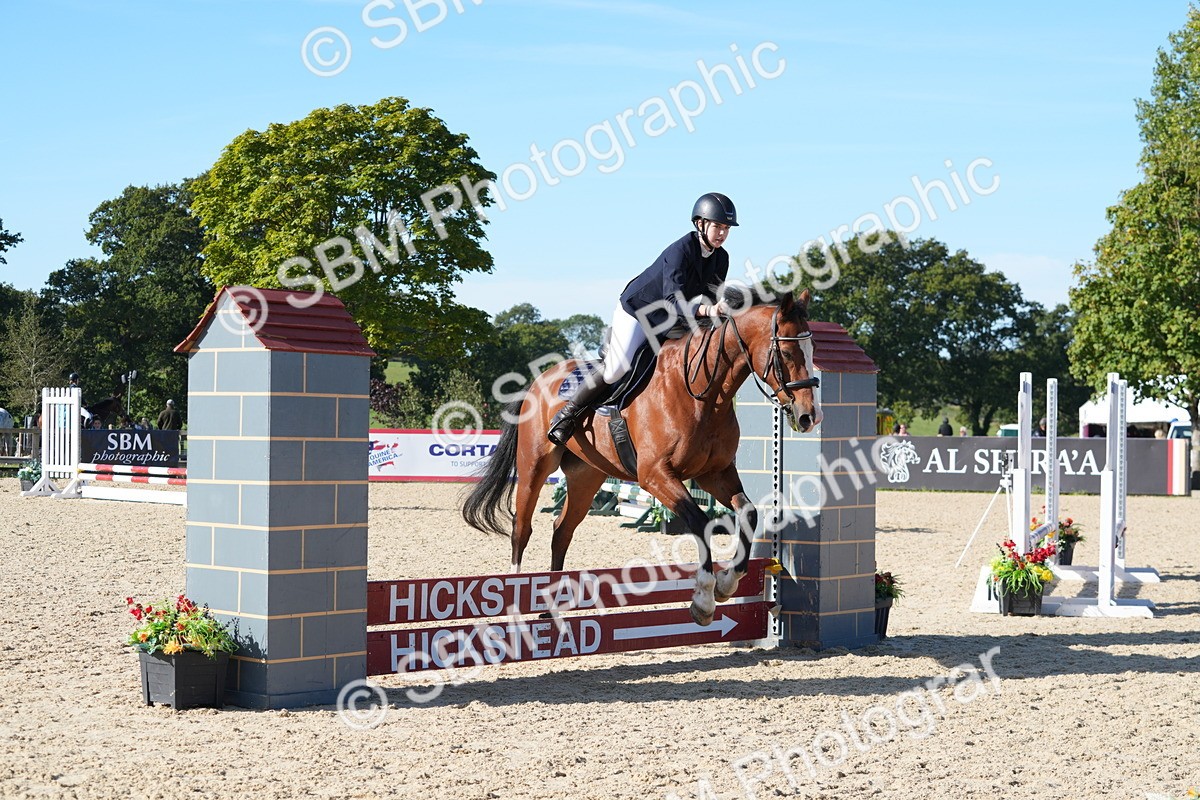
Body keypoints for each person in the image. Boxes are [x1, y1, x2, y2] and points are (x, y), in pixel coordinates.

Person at [547, 192, 738, 445]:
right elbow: (673, 302)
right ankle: (567, 414)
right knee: (616, 369)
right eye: (717, 226)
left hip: (672, 320)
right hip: (638, 311)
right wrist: (706, 311)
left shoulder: (721, 258)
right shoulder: (680, 251)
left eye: (726, 228)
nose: (722, 233)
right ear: (700, 224)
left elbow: (711, 298)